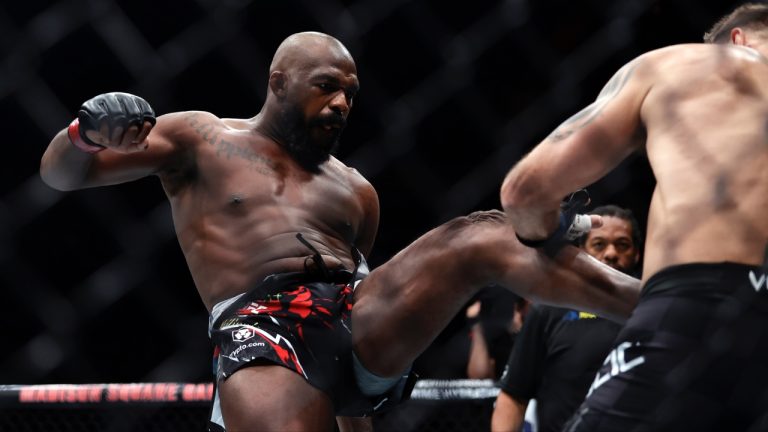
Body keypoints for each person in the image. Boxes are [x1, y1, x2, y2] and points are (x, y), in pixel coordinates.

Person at [40, 32, 641, 432]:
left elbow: (362, 290)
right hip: (262, 325)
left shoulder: (355, 191)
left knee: (480, 235)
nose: (340, 103)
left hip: (355, 318)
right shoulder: (203, 138)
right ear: (278, 81)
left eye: (350, 93)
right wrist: (85, 136)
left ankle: (659, 302)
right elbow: (65, 175)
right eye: (325, 85)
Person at [500, 3, 768, 431]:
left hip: (699, 307)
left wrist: (545, 236)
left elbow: (524, 192)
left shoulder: (684, 64)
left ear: (735, 42)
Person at [491, 205, 642, 432]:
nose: (611, 253)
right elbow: (514, 395)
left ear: (637, 253)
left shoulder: (654, 310)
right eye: (599, 244)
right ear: (582, 251)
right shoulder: (550, 308)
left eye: (622, 245)